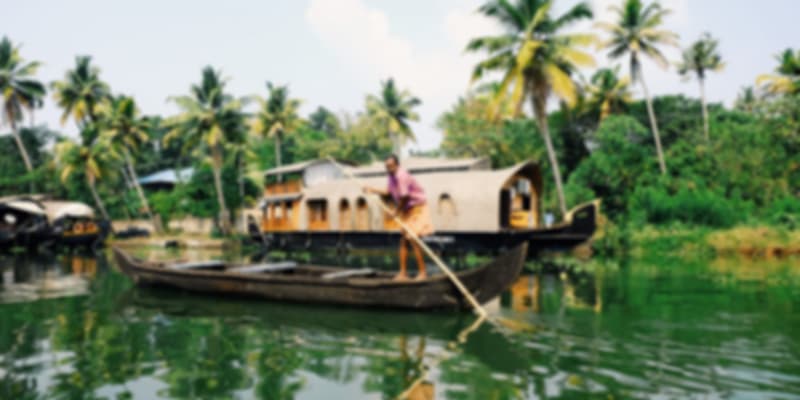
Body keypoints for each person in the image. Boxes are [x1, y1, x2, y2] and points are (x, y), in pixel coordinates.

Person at [364, 155, 434, 280]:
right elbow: (389, 192)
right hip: (407, 210)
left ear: (397, 165)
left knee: (413, 238)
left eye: (391, 166)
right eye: (387, 167)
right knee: (404, 241)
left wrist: (396, 212)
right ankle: (403, 273)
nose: (389, 169)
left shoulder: (402, 176)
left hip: (417, 208)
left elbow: (405, 197)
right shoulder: (391, 176)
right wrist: (372, 190)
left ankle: (423, 273)